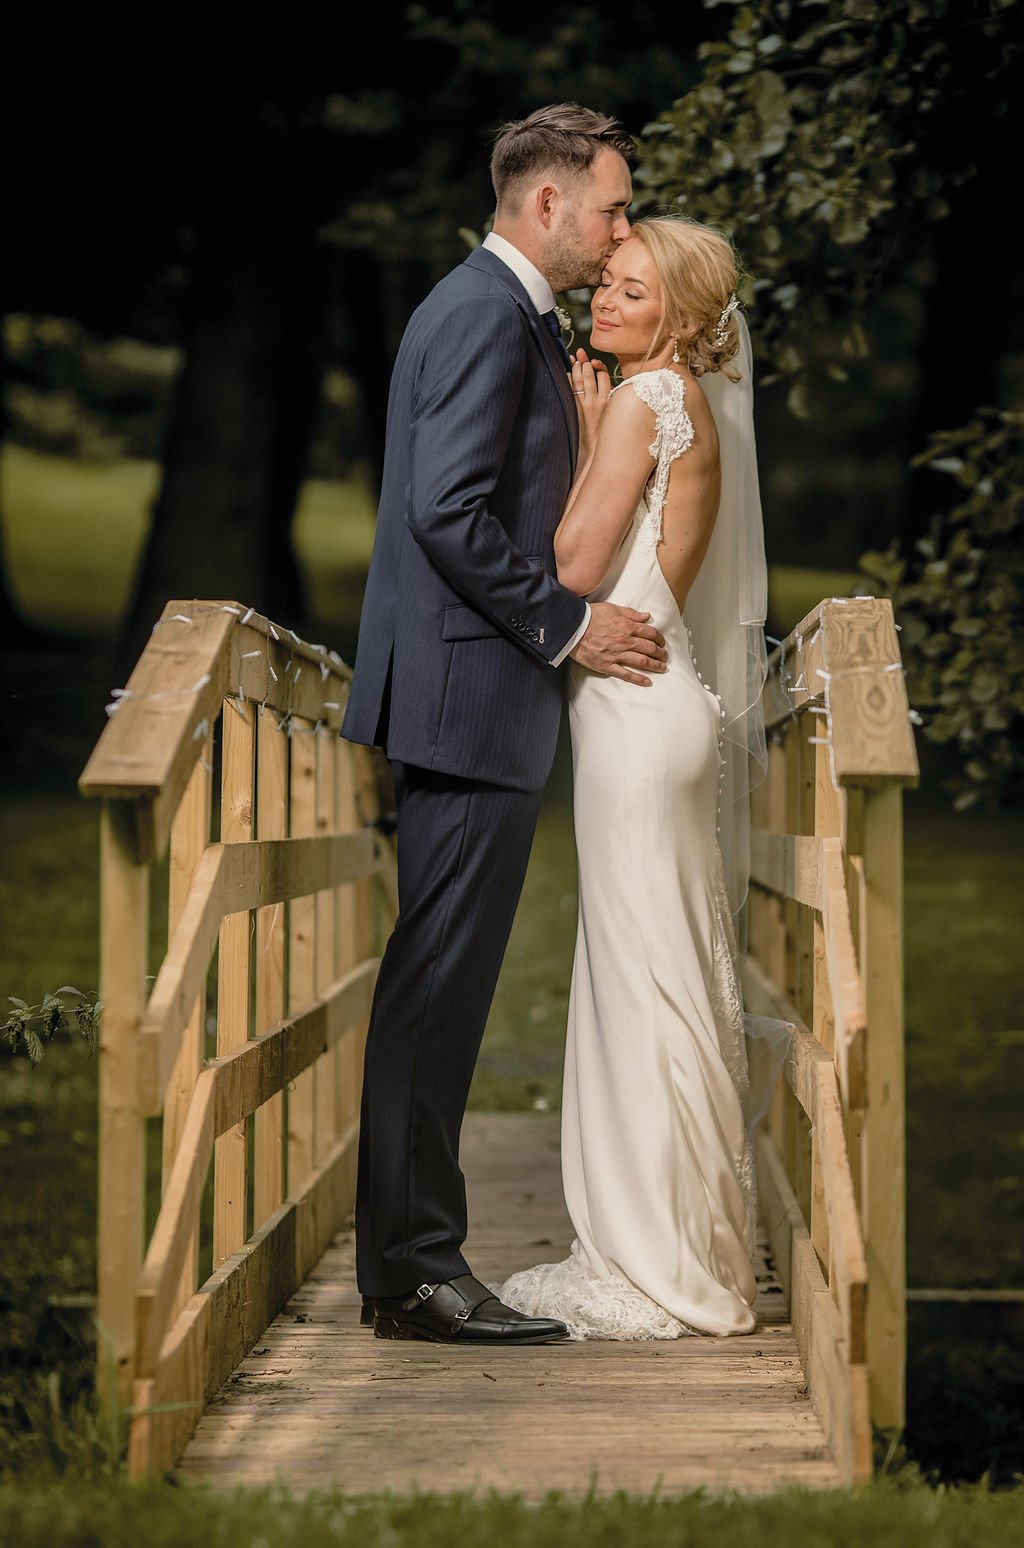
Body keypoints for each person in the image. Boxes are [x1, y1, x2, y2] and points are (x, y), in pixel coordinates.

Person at [340, 103, 670, 1345]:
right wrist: (567, 625)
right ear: (546, 203)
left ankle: (410, 1261)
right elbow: (446, 510)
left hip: (465, 692)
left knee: (441, 985)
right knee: (435, 990)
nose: (620, 231)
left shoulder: (500, 311)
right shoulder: (485, 312)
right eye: (612, 209)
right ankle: (414, 1271)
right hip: (467, 694)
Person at [498, 215, 791, 1339]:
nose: (604, 302)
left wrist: (585, 435)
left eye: (631, 289)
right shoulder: (693, 402)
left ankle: (656, 1266)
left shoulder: (639, 403)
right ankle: (687, 1252)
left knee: (640, 985)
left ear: (681, 313)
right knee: (668, 974)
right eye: (606, 284)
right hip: (667, 709)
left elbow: (573, 566)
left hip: (633, 716)